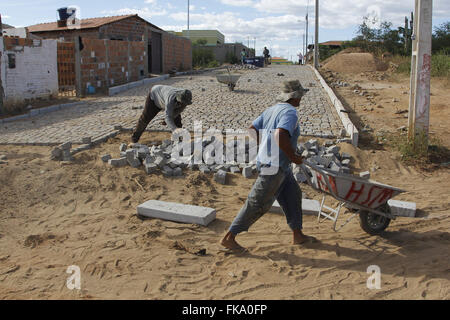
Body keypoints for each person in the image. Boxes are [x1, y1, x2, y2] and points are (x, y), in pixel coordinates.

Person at [221, 80, 317, 251]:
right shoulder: (290, 113)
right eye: (300, 95)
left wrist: (266, 145)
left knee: (293, 196)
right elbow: (280, 135)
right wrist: (292, 156)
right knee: (257, 202)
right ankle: (229, 237)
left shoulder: (271, 110)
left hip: (278, 165)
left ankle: (298, 235)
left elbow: (251, 129)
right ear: (294, 96)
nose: (301, 99)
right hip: (274, 167)